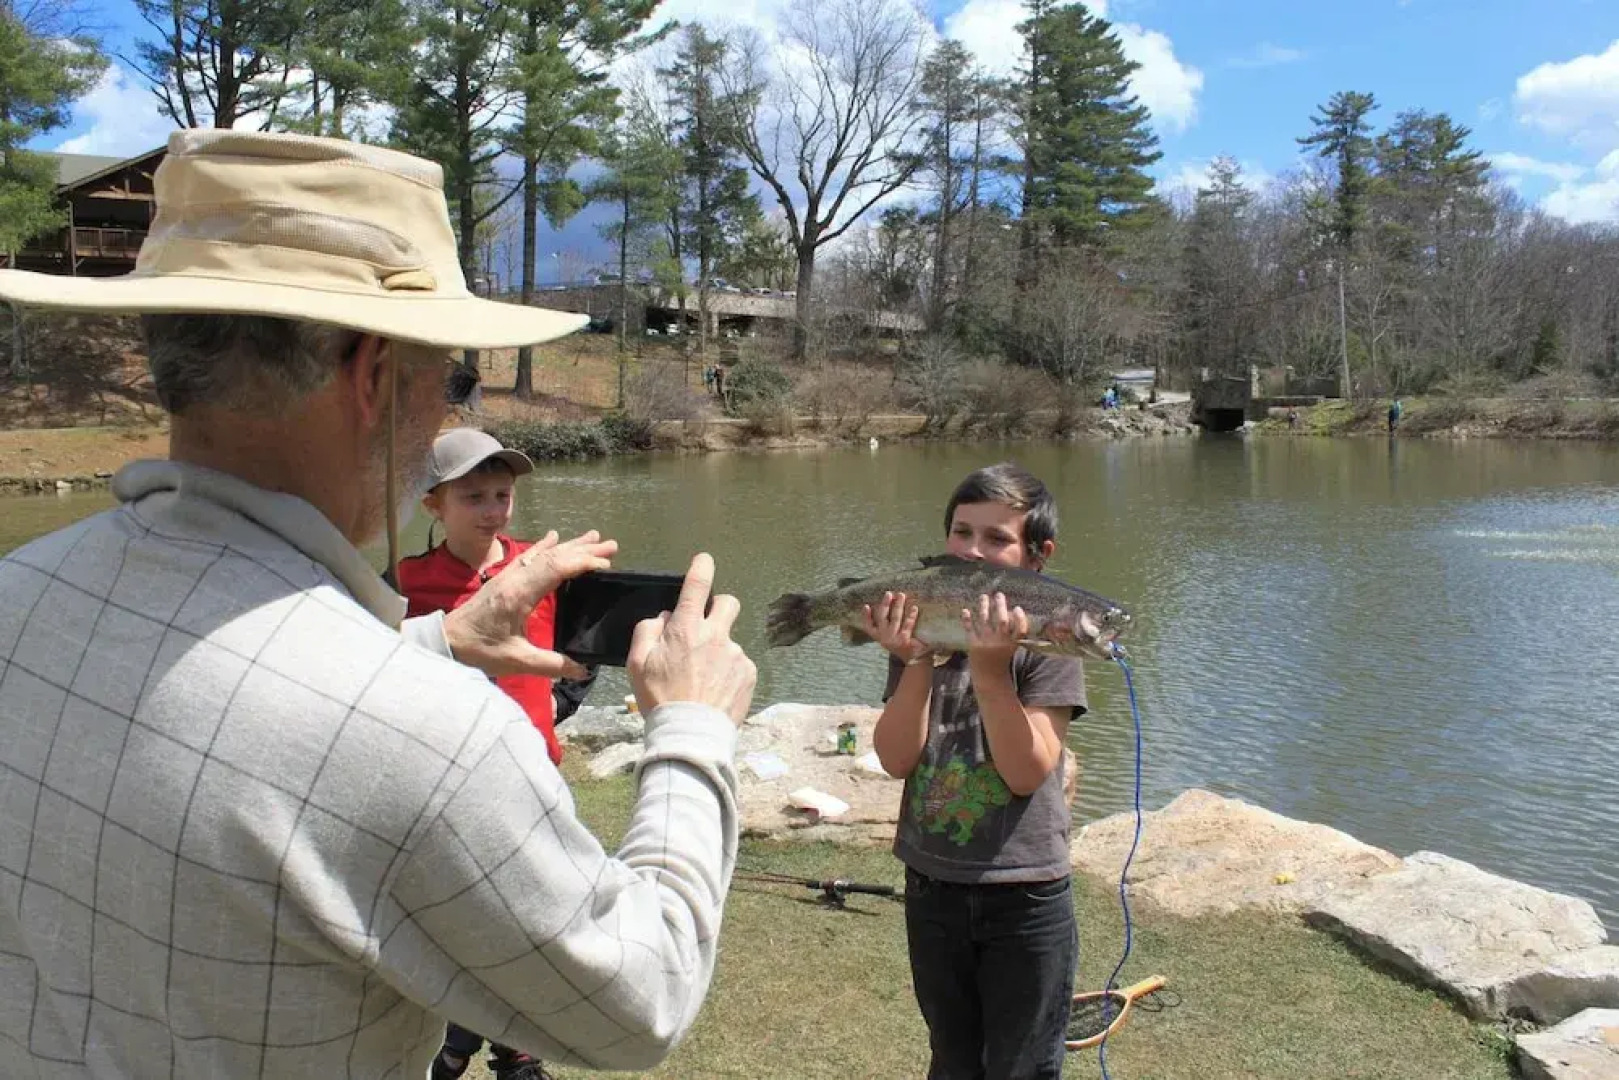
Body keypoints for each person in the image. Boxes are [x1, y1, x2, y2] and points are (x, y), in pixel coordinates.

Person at [0, 130, 756, 1078]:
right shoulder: (426, 738)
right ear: (373, 377)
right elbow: (639, 1002)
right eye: (450, 380)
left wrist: (435, 642)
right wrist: (690, 729)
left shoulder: (17, 596)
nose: (443, 410)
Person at [867, 463, 1090, 1080]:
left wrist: (992, 671)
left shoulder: (1052, 646)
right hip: (932, 885)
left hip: (1025, 895)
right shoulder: (927, 625)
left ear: (1037, 558)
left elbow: (1027, 773)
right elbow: (895, 758)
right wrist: (915, 662)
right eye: (961, 532)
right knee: (953, 1057)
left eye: (996, 539)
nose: (972, 550)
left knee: (1022, 1066)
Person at [394, 427, 599, 1080]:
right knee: (454, 926)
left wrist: (551, 711)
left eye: (502, 495)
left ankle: (510, 1049)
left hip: (533, 779)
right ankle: (454, 1045)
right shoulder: (403, 582)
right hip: (444, 787)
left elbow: (581, 659)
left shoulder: (542, 572)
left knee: (529, 924)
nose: (491, 509)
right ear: (434, 504)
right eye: (473, 495)